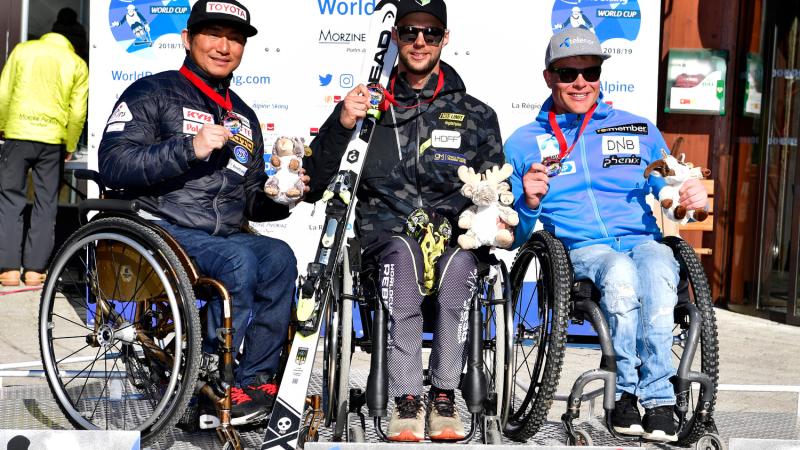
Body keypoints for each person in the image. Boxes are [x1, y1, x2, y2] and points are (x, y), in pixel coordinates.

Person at [99, 0, 307, 426]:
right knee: (238, 260)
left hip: (223, 233)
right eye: (213, 34)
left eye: (234, 38)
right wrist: (187, 148)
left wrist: (282, 197)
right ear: (187, 39)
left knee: (279, 257)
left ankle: (254, 381)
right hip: (161, 224)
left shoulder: (243, 116)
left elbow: (250, 199)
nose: (223, 46)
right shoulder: (152, 92)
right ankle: (210, 375)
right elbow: (114, 162)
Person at [305, 0, 504, 442]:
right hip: (385, 240)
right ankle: (407, 399)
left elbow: (495, 192)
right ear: (395, 37)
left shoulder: (477, 114)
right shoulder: (366, 106)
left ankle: (444, 395)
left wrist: (494, 217)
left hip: (455, 239)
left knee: (458, 270)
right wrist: (342, 121)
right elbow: (316, 182)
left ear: (444, 39)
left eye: (431, 33)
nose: (420, 41)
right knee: (401, 256)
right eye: (410, 31)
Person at [505, 28, 709, 443]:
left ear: (600, 74)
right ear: (549, 77)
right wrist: (526, 201)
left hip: (642, 241)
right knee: (618, 272)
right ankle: (625, 396)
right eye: (567, 73)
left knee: (655, 269)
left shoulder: (638, 129)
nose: (580, 82)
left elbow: (671, 199)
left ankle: (658, 399)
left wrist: (690, 197)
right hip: (581, 250)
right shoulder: (524, 142)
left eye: (590, 70)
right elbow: (516, 234)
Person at [0, 28, 88, 287]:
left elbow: (4, 93)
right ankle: (35, 271)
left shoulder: (21, 51)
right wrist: (70, 144)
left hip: (17, 134)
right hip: (52, 140)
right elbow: (77, 110)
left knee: (9, 199)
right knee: (46, 202)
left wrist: (4, 126)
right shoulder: (77, 63)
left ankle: (8, 271)